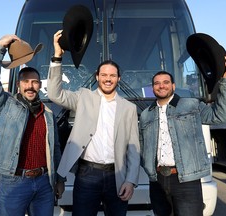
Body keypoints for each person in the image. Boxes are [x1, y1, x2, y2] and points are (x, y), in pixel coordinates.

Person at [47, 30, 140, 216]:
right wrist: (57, 57)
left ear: (118, 79)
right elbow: (54, 94)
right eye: (104, 75)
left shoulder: (129, 108)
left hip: (117, 175)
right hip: (87, 174)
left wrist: (131, 180)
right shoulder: (83, 97)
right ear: (97, 77)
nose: (108, 79)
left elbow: (133, 148)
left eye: (112, 76)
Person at [139, 54, 226, 216]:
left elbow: (221, 116)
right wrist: (149, 167)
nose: (161, 86)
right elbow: (143, 146)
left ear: (173, 86)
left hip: (187, 180)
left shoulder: (191, 104)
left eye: (165, 82)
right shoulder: (145, 115)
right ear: (152, 88)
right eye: (157, 83)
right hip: (157, 181)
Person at [0, 34, 65, 216]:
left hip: (44, 183)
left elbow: (54, 148)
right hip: (14, 183)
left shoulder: (47, 113)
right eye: (25, 81)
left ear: (39, 85)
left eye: (34, 82)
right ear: (18, 85)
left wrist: (58, 179)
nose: (30, 86)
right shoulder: (5, 106)